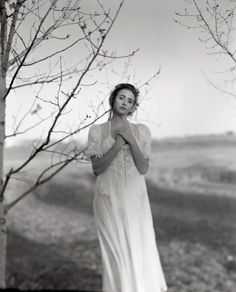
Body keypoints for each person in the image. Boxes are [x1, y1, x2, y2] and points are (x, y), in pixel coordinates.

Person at [86, 83, 167, 292]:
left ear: (133, 108)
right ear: (113, 99)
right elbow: (97, 168)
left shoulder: (141, 131)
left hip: (135, 199)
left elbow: (143, 167)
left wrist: (131, 140)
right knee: (115, 253)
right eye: (122, 97)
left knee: (138, 248)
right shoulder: (97, 131)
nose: (125, 103)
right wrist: (117, 144)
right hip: (107, 197)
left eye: (130, 101)